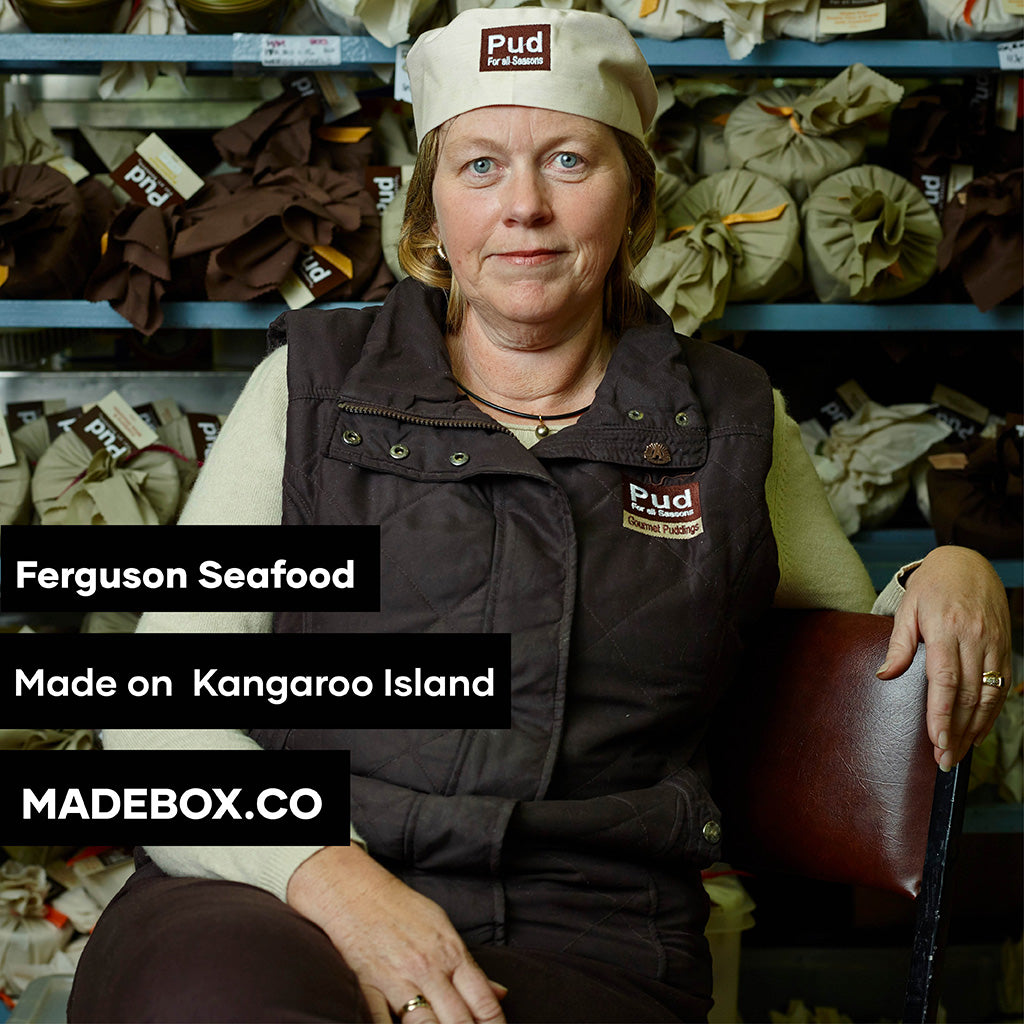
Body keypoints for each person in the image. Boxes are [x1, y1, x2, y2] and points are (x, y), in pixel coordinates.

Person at [68, 9, 1012, 1023]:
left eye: (568, 160)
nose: (524, 207)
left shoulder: (733, 423)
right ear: (429, 214)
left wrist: (947, 575)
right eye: (479, 167)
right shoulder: (306, 390)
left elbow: (854, 665)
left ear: (634, 200)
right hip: (272, 892)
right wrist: (335, 882)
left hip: (587, 926)